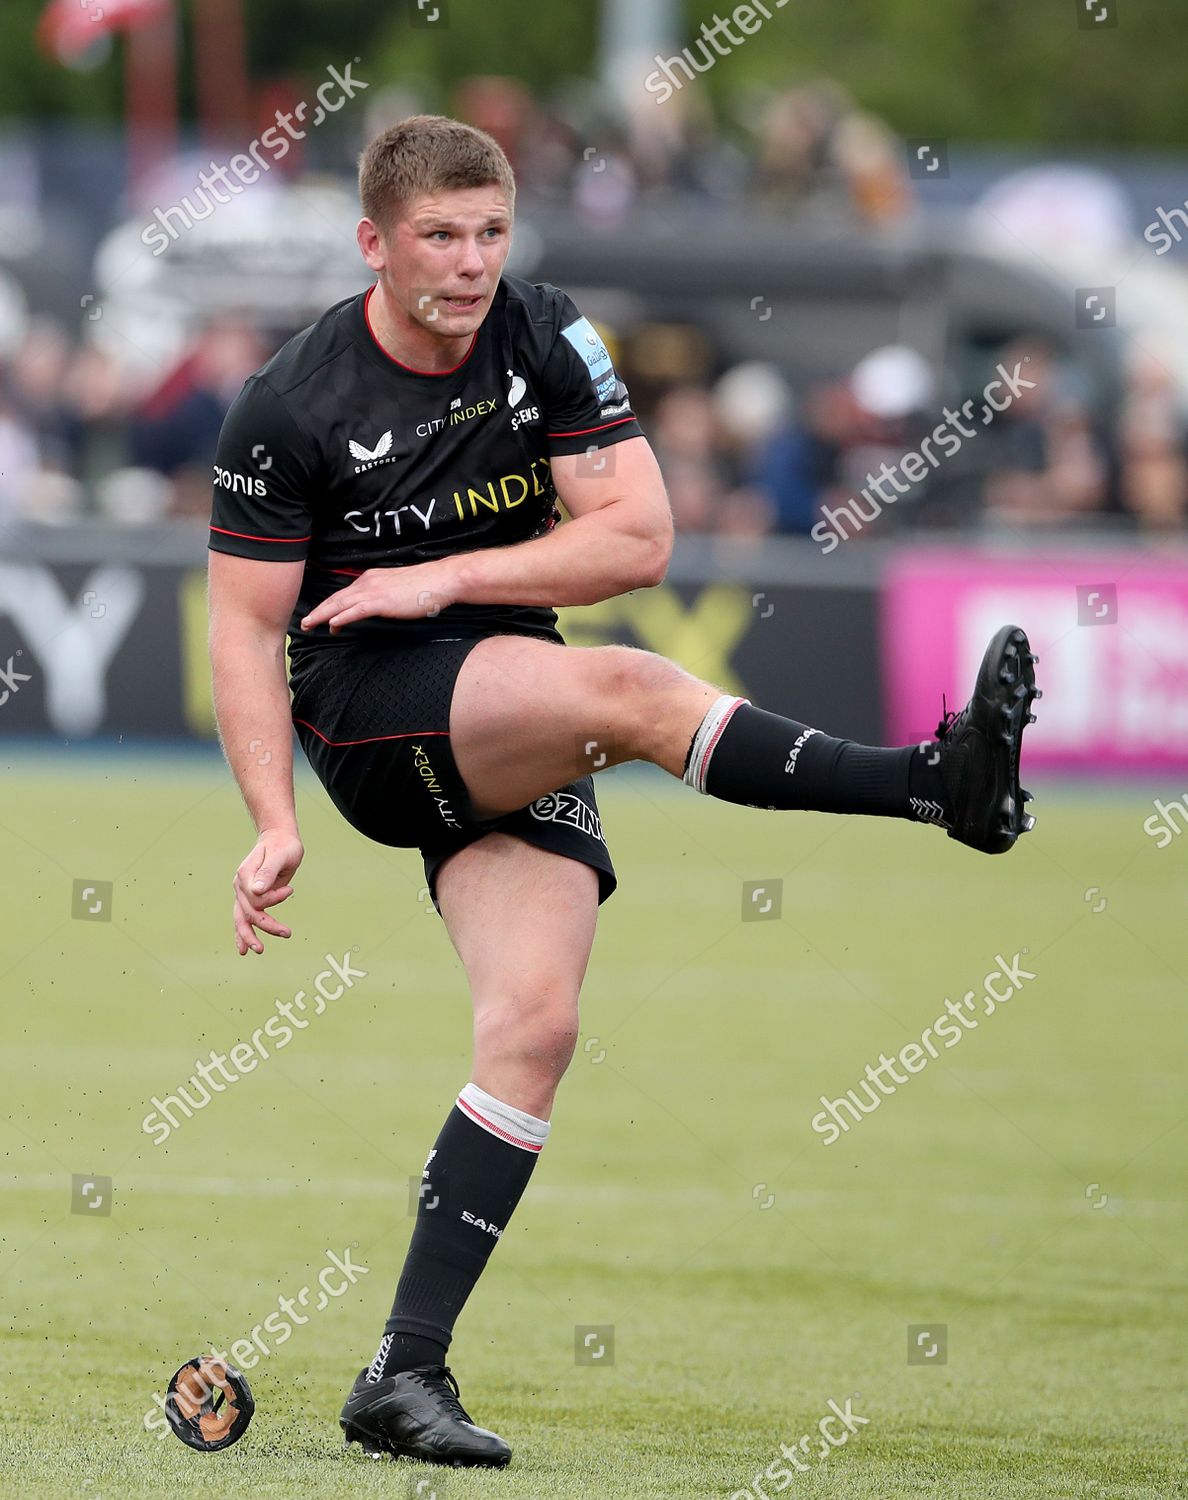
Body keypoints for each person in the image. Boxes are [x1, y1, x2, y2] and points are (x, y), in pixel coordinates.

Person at [206, 115, 1040, 1471]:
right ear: (373, 242)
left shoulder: (545, 334)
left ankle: (401, 1372)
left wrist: (445, 578)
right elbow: (243, 633)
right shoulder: (291, 402)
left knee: (532, 1029)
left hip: (501, 688)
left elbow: (639, 536)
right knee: (640, 697)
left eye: (490, 233)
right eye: (440, 237)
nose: (472, 263)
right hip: (368, 716)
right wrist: (273, 821)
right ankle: (935, 784)